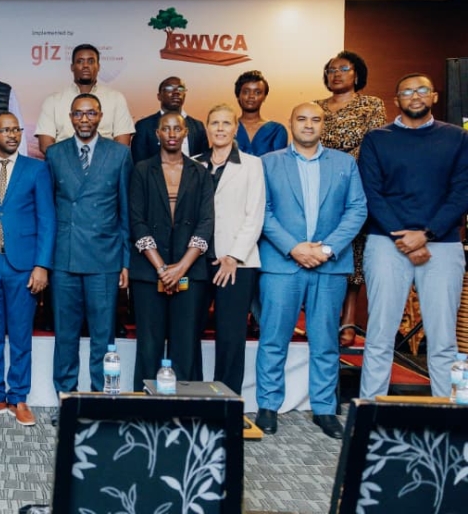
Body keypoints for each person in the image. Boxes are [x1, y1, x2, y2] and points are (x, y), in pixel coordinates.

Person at [254, 103, 366, 439]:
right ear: (290, 123)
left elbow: (357, 208)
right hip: (281, 263)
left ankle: (324, 409)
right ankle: (268, 406)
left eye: (315, 119)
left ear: (324, 126)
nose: (308, 125)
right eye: (301, 119)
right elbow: (263, 211)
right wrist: (294, 247)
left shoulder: (345, 163)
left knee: (325, 342)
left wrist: (327, 248)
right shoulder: (268, 163)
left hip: (329, 265)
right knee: (273, 339)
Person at [358, 74, 468, 400]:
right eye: (406, 91)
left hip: (442, 244)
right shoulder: (377, 138)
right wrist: (404, 238)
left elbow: (462, 191)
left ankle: (447, 413)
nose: (415, 96)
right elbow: (372, 193)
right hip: (386, 243)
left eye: (421, 90)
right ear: (396, 100)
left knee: (444, 338)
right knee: (379, 335)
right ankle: (370, 410)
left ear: (433, 96)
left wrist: (426, 235)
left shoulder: (457, 138)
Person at [45, 94, 132, 417]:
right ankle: (65, 399)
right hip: (64, 259)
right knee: (65, 335)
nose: (84, 119)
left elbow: (125, 210)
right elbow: (48, 210)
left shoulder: (120, 154)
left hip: (105, 259)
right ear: (70, 117)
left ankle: (99, 399)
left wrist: (125, 260)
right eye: (78, 113)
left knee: (102, 336)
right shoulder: (54, 154)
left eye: (90, 113)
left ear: (100, 117)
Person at [0, 112, 54, 426]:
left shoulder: (37, 170)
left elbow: (47, 219)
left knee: (19, 335)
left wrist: (42, 265)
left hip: (23, 265)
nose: (13, 135)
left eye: (17, 129)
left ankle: (19, 398)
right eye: (5, 130)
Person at [130, 112, 214, 386]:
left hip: (190, 271)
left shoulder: (199, 172)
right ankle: (145, 411)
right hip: (148, 272)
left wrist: (181, 268)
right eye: (165, 128)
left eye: (177, 128)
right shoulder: (142, 169)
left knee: (185, 344)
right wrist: (162, 269)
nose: (172, 133)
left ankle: (182, 410)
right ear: (157, 134)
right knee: (149, 346)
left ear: (186, 132)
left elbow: (206, 222)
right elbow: (137, 221)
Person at [314, 51, 386, 346]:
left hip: (357, 185)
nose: (337, 74)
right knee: (322, 246)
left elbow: (377, 145)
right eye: (331, 70)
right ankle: (322, 315)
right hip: (319, 187)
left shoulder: (371, 105)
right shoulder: (315, 107)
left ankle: (349, 318)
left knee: (354, 251)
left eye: (344, 69)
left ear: (357, 74)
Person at [192, 104, 264, 394]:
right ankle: (192, 392)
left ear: (236, 128)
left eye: (226, 123)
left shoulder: (252, 164)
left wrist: (234, 256)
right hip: (196, 261)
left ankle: (226, 398)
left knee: (231, 335)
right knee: (189, 332)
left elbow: (255, 214)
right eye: (214, 123)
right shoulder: (192, 162)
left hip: (237, 262)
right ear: (207, 128)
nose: (220, 128)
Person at [35, 44, 134, 154]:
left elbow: (122, 145)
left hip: (105, 167)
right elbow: (45, 145)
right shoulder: (53, 101)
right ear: (72, 67)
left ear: (98, 66)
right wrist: (69, 165)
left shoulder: (116, 98)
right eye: (80, 61)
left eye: (91, 61)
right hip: (63, 168)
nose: (86, 65)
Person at [131, 77, 208, 163]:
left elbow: (204, 161)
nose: (176, 92)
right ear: (159, 96)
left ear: (184, 95)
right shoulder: (144, 126)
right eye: (169, 88)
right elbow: (139, 165)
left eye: (180, 89)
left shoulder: (197, 126)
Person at [234, 70, 287, 156]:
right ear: (238, 95)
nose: (251, 96)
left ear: (264, 97)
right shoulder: (226, 127)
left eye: (257, 92)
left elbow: (278, 164)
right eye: (246, 92)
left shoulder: (277, 130)